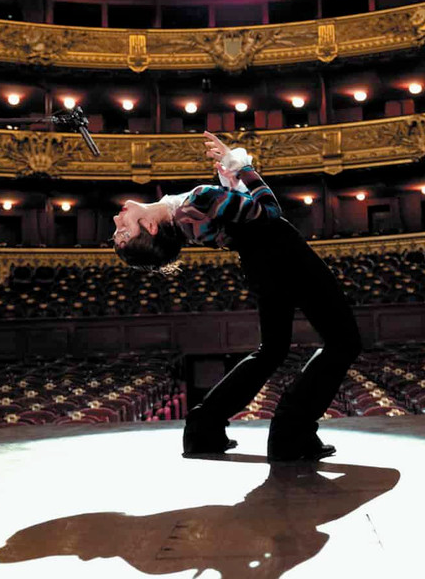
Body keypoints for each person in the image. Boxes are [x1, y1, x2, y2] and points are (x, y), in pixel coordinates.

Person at [112, 132, 362, 461]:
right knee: (344, 342)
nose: (117, 219)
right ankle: (290, 431)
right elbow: (270, 211)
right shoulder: (197, 201)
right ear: (150, 227)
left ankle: (204, 427)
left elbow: (241, 216)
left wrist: (231, 179)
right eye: (124, 231)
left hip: (261, 266)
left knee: (272, 351)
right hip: (285, 255)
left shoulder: (186, 219)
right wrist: (242, 167)